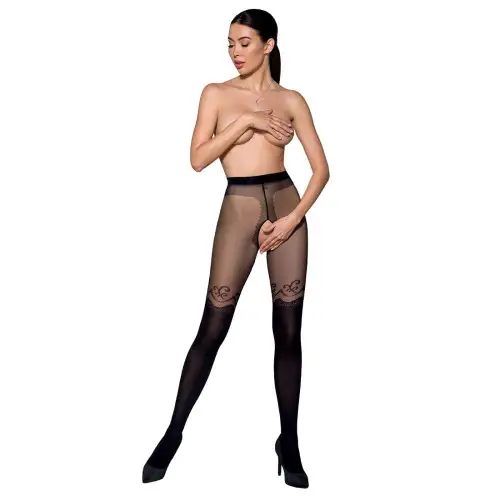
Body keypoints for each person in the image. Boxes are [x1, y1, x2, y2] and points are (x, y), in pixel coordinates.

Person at [142, 8, 330, 489]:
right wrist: (247, 120)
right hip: (239, 207)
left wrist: (291, 220)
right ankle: (173, 432)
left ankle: (290, 441)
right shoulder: (216, 94)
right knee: (213, 326)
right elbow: (198, 159)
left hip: (286, 204)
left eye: (244, 43)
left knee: (289, 331)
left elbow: (322, 170)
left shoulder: (291, 99)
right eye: (230, 43)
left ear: (268, 45)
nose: (235, 52)